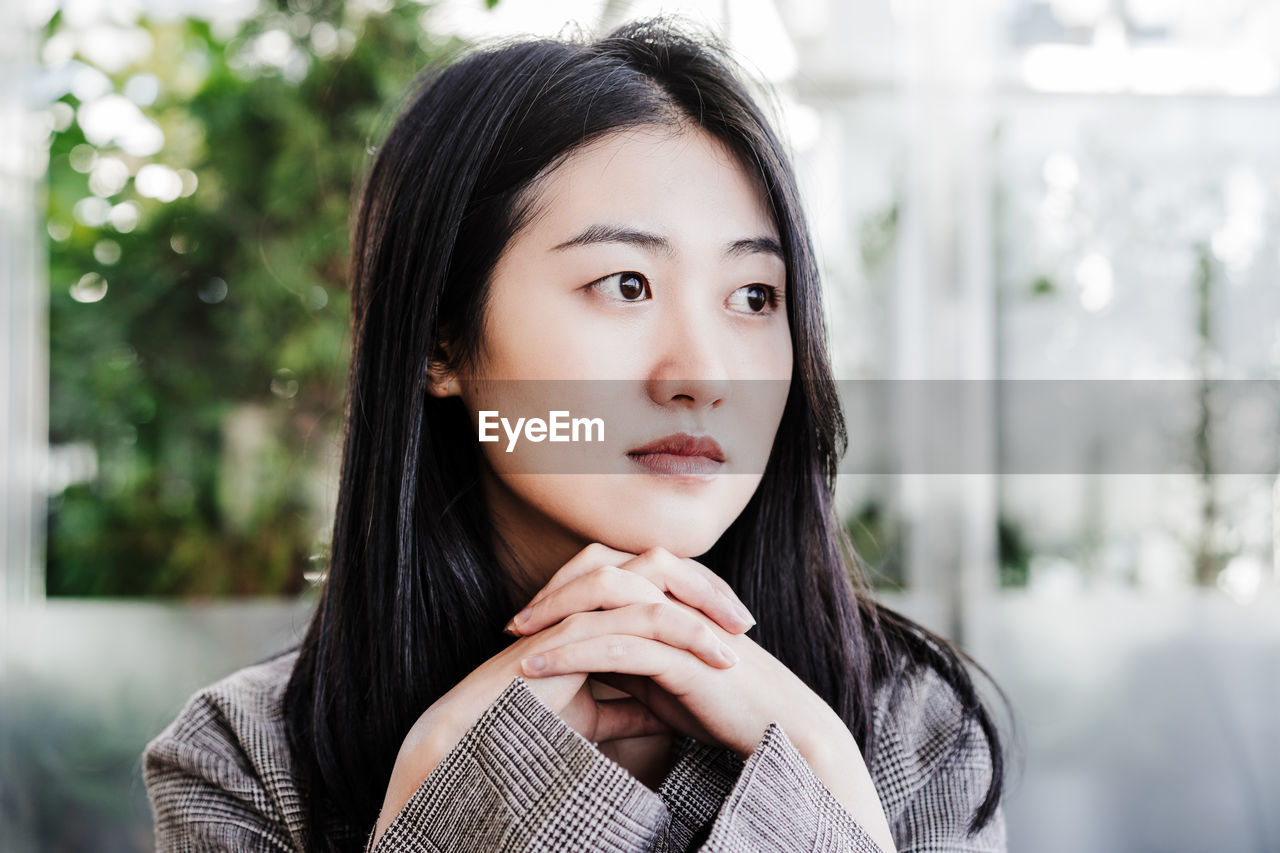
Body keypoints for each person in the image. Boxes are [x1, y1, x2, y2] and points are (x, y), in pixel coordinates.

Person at [143, 16, 1010, 853]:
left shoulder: (911, 723)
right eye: (626, 284)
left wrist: (826, 776)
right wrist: (445, 805)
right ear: (440, 341)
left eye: (754, 296)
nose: (703, 376)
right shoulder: (249, 759)